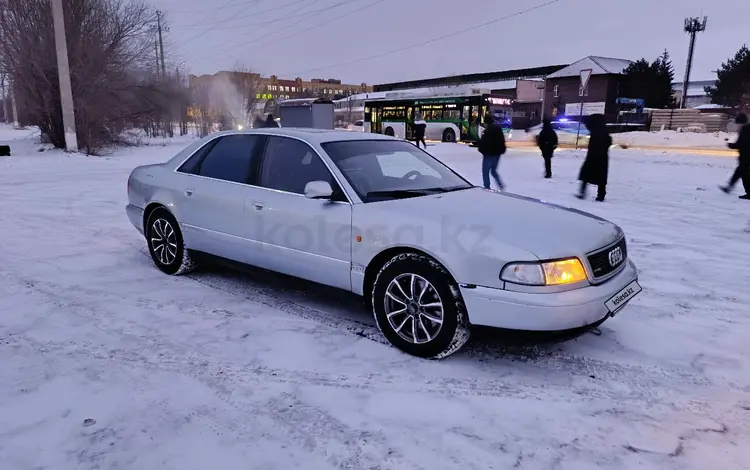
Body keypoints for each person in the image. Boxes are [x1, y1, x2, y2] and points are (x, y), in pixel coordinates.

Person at [576, 113, 611, 202]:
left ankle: (583, 193)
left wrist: (594, 155)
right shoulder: (604, 131)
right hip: (602, 159)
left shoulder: (597, 133)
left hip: (594, 158)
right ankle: (600, 195)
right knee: (600, 178)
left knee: (586, 176)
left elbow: (596, 146)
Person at [720, 113, 750, 199]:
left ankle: (748, 193)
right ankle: (728, 188)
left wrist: (731, 145)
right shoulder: (746, 129)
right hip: (745, 158)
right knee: (738, 173)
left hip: (746, 158)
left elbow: (741, 144)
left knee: (745, 176)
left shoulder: (745, 130)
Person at [476, 113, 506, 190]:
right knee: (493, 171)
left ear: (486, 122)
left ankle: (487, 188)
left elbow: (485, 142)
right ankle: (501, 185)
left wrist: (480, 147)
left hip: (489, 154)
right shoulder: (498, 128)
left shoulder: (488, 131)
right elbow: (502, 141)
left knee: (485, 172)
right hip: (497, 154)